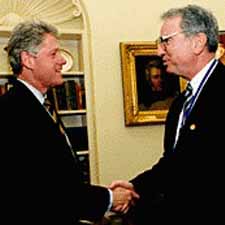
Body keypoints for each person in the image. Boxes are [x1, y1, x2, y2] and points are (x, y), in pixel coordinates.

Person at [0, 20, 139, 224]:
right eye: (54, 54)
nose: (62, 61)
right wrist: (110, 198)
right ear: (28, 60)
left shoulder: (40, 105)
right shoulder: (12, 113)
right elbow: (44, 191)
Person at [110, 4, 225, 224]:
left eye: (166, 41)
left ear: (197, 42)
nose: (159, 51)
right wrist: (134, 187)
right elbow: (174, 164)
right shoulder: (180, 103)